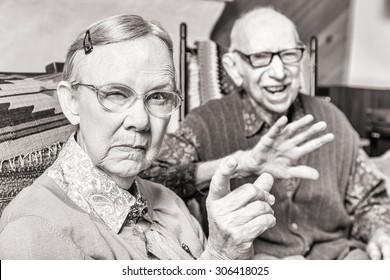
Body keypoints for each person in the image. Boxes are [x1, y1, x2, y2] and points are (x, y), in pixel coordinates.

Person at [0, 14, 277, 260]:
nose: (142, 121)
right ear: (71, 102)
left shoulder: (169, 202)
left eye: (158, 97)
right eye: (116, 94)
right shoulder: (34, 232)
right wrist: (219, 259)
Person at [141, 7, 390, 259]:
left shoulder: (332, 118)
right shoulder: (205, 122)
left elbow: (371, 199)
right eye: (261, 57)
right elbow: (151, 178)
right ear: (235, 67)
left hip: (339, 259)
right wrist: (237, 165)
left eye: (289, 54)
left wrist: (379, 232)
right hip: (256, 262)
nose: (279, 73)